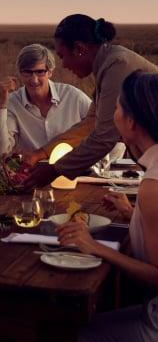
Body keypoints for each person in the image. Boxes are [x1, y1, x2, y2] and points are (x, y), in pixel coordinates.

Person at [57, 71, 158, 341]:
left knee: (70, 334)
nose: (113, 114)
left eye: (116, 108)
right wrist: (132, 213)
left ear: (132, 121)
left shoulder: (153, 185)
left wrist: (94, 247)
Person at [23, 15, 157, 189]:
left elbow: (103, 137)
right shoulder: (108, 65)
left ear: (79, 48)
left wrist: (55, 170)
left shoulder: (117, 66)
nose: (63, 64)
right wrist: (40, 153)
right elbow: (90, 123)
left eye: (63, 56)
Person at [0, 43, 93, 154]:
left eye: (40, 72)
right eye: (27, 72)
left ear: (50, 72)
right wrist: (0, 105)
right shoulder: (13, 103)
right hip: (31, 170)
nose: (34, 80)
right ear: (20, 73)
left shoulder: (73, 97)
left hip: (71, 169)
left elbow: (102, 127)